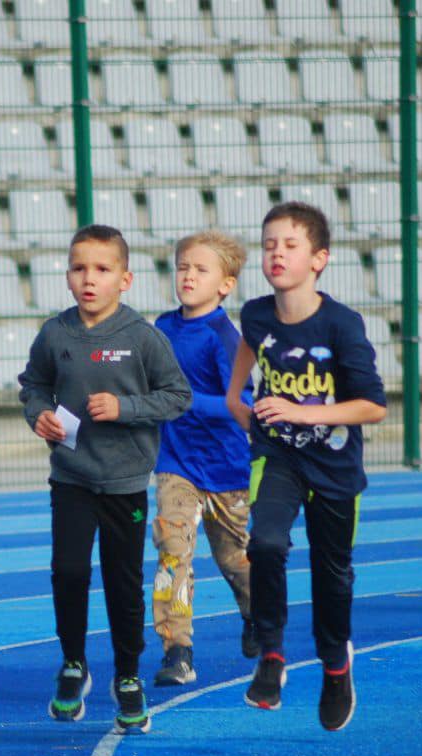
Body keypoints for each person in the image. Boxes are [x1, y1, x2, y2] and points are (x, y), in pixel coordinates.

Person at [18, 224, 192, 734]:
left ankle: (128, 674)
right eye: (79, 268)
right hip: (71, 479)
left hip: (125, 484)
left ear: (125, 279)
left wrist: (125, 408)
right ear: (67, 276)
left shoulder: (142, 337)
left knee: (123, 581)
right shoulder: (54, 333)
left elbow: (177, 396)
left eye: (101, 269)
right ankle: (74, 663)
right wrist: (38, 415)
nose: (89, 278)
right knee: (69, 572)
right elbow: (33, 385)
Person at [225, 201, 387, 731]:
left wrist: (301, 411)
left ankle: (335, 664)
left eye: (290, 245)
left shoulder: (341, 324)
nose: (276, 254)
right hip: (278, 456)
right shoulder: (256, 314)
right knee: (266, 543)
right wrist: (235, 397)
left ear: (319, 259)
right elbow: (249, 348)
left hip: (334, 465)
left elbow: (373, 406)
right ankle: (271, 653)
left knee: (332, 572)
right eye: (269, 244)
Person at [150, 230, 256, 687]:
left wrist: (184, 401)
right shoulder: (162, 327)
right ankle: (177, 651)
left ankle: (255, 613)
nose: (188, 276)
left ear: (225, 284)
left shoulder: (224, 337)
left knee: (234, 560)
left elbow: (243, 403)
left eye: (200, 269)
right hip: (175, 466)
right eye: (182, 267)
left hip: (226, 470)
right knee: (172, 555)